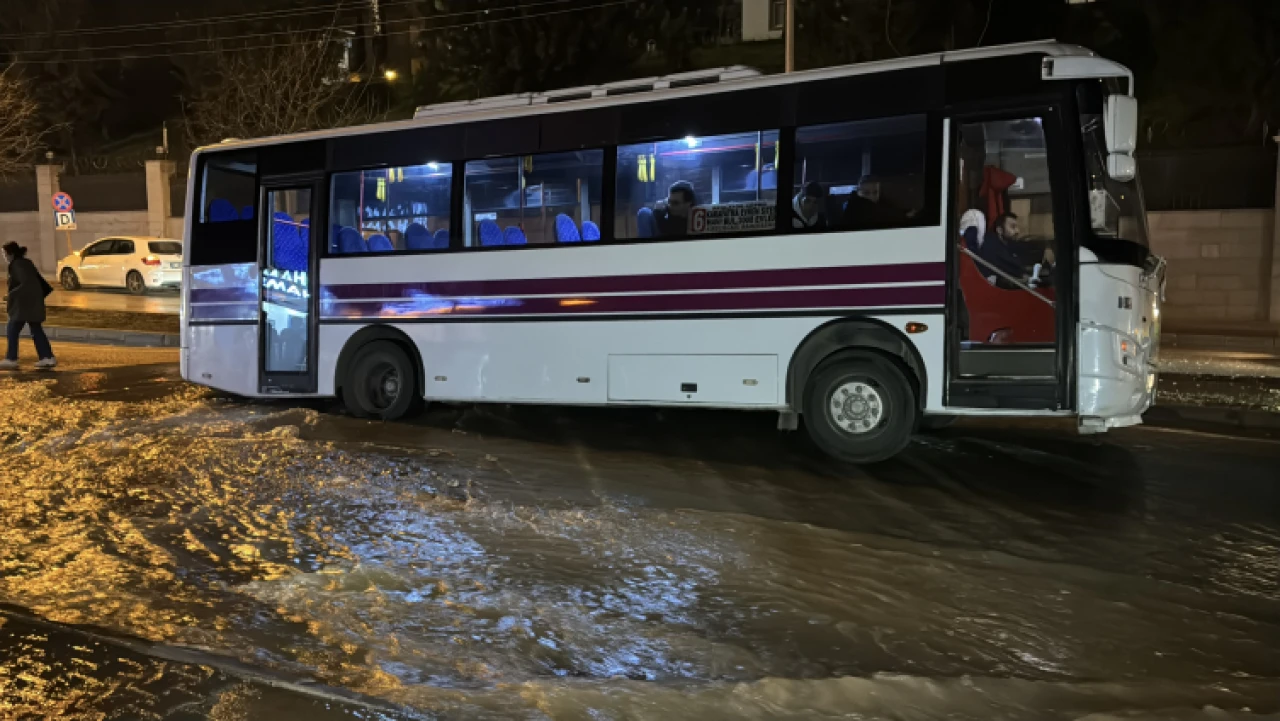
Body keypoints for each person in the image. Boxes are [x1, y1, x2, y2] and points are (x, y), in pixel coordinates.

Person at [2, 241, 56, 370]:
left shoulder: (17, 265)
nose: (3, 256)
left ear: (10, 253)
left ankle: (11, 358)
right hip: (32, 303)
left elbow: (25, 283)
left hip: (23, 305)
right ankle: (47, 357)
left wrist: (11, 295)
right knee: (36, 330)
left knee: (12, 330)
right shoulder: (26, 262)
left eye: (4, 253)